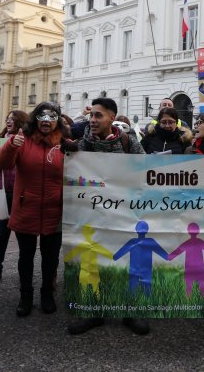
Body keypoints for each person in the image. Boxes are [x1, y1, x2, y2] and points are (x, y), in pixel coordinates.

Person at [69, 97, 147, 337]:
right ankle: (94, 312)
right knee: (93, 264)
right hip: (93, 216)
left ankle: (129, 312)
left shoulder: (128, 142)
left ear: (112, 117)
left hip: (124, 215)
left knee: (126, 264)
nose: (92, 120)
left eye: (98, 116)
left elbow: (145, 172)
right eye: (91, 115)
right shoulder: (81, 146)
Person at [0, 103, 67, 317]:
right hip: (27, 207)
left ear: (57, 121)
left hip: (55, 210)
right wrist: (11, 146)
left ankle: (47, 293)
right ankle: (25, 295)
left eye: (51, 117)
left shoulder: (64, 144)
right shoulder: (22, 140)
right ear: (35, 119)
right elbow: (2, 164)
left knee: (51, 256)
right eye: (41, 116)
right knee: (25, 256)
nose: (46, 121)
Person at [0, 110, 29, 285]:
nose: (8, 121)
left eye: (12, 118)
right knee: (2, 233)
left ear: (20, 121)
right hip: (4, 192)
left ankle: (24, 270)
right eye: (7, 118)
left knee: (22, 235)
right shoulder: (2, 137)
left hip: (21, 194)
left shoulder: (29, 139)